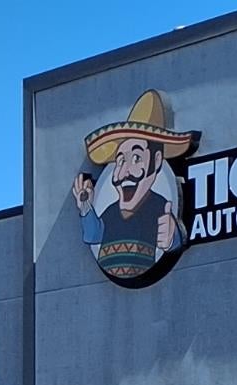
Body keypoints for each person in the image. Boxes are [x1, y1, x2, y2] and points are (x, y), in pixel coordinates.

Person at [74, 90, 196, 282]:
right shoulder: (110, 212)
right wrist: (86, 207)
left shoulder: (159, 208)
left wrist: (173, 239)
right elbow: (93, 235)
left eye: (136, 158)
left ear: (156, 162)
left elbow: (170, 237)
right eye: (120, 161)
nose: (124, 173)